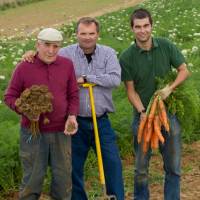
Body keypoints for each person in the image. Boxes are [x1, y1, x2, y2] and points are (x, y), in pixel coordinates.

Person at [22, 17, 124, 200]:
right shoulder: (65, 54)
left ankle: (115, 197)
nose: (87, 37)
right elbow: (46, 56)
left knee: (112, 163)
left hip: (101, 120)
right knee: (72, 168)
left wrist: (86, 78)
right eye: (83, 33)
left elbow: (115, 79)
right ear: (76, 34)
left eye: (91, 33)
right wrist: (31, 53)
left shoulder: (108, 53)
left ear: (97, 34)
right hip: (73, 122)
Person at [119, 8, 189, 200]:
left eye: (146, 26)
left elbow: (184, 71)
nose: (143, 30)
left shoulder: (166, 46)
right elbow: (130, 90)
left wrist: (169, 88)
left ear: (151, 26)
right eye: (138, 27)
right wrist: (143, 111)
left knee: (173, 166)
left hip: (168, 114)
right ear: (132, 29)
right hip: (143, 116)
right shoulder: (126, 57)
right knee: (141, 168)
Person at [4, 28, 79, 200]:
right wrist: (25, 110)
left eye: (56, 46)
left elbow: (73, 94)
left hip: (62, 131)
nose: (51, 50)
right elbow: (9, 96)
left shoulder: (66, 65)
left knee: (63, 179)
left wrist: (72, 116)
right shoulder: (24, 67)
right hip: (33, 132)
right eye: (46, 45)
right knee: (32, 179)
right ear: (37, 44)